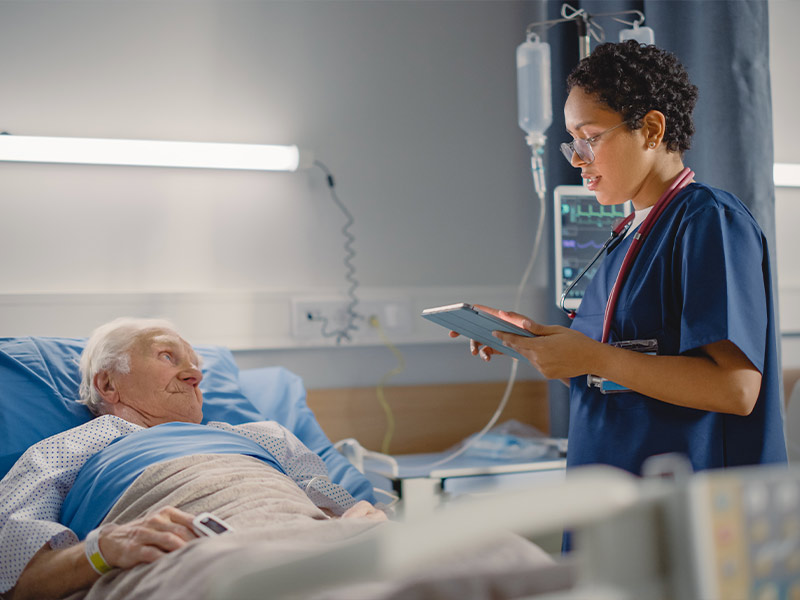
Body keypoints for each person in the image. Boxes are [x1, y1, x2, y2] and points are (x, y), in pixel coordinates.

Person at [459, 42, 787, 483]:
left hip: (688, 503)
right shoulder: (628, 236)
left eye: (589, 138)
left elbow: (737, 388)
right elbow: (619, 380)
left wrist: (596, 356)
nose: (577, 159)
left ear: (651, 130)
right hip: (610, 489)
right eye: (572, 143)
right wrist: (540, 346)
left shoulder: (709, 220)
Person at [0, 317, 386, 600]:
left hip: (316, 542)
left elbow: (341, 509)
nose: (195, 375)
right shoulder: (65, 449)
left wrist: (362, 519)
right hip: (192, 556)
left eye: (197, 364)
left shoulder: (266, 435)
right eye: (168, 356)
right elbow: (14, 578)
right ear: (108, 384)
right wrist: (103, 550)